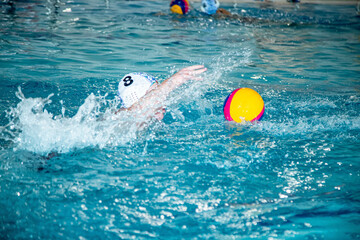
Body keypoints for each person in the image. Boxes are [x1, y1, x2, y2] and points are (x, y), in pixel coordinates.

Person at [115, 65, 207, 125]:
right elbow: (133, 112)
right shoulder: (118, 123)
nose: (162, 100)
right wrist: (173, 82)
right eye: (155, 92)